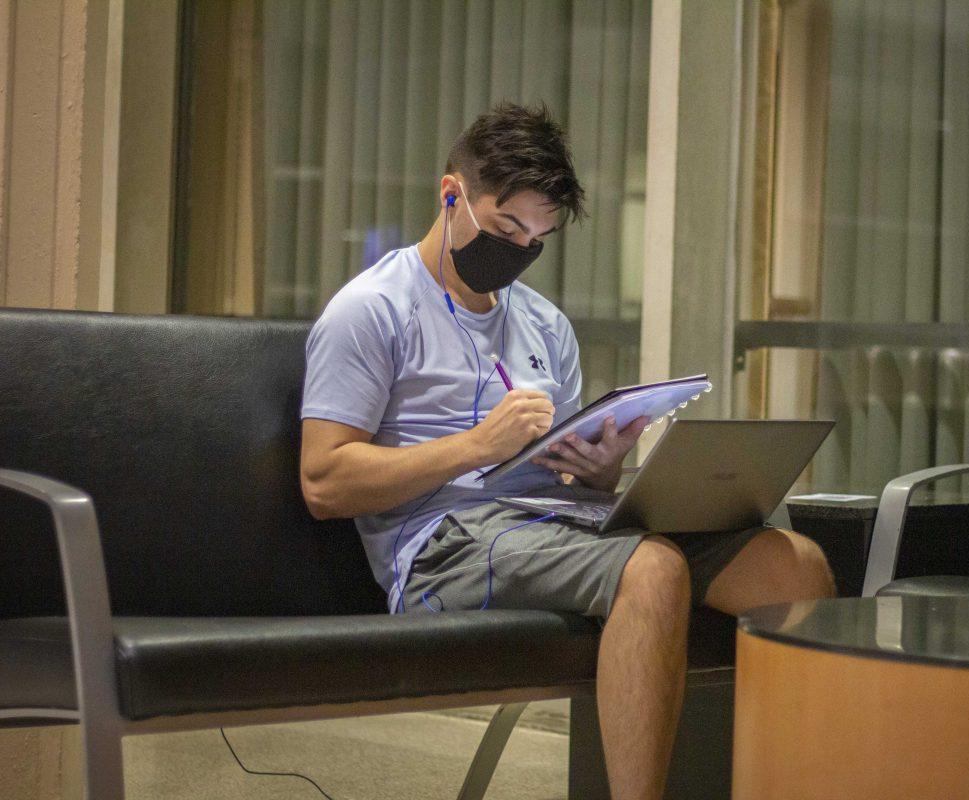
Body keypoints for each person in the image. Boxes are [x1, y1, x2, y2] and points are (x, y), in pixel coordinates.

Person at [299, 102, 834, 800]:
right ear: (451, 193)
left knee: (794, 566)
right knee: (652, 571)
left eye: (537, 237)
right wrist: (476, 447)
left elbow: (575, 493)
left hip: (555, 525)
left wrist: (601, 467)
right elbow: (324, 481)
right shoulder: (372, 310)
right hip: (438, 547)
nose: (519, 248)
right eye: (506, 227)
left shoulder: (544, 324)